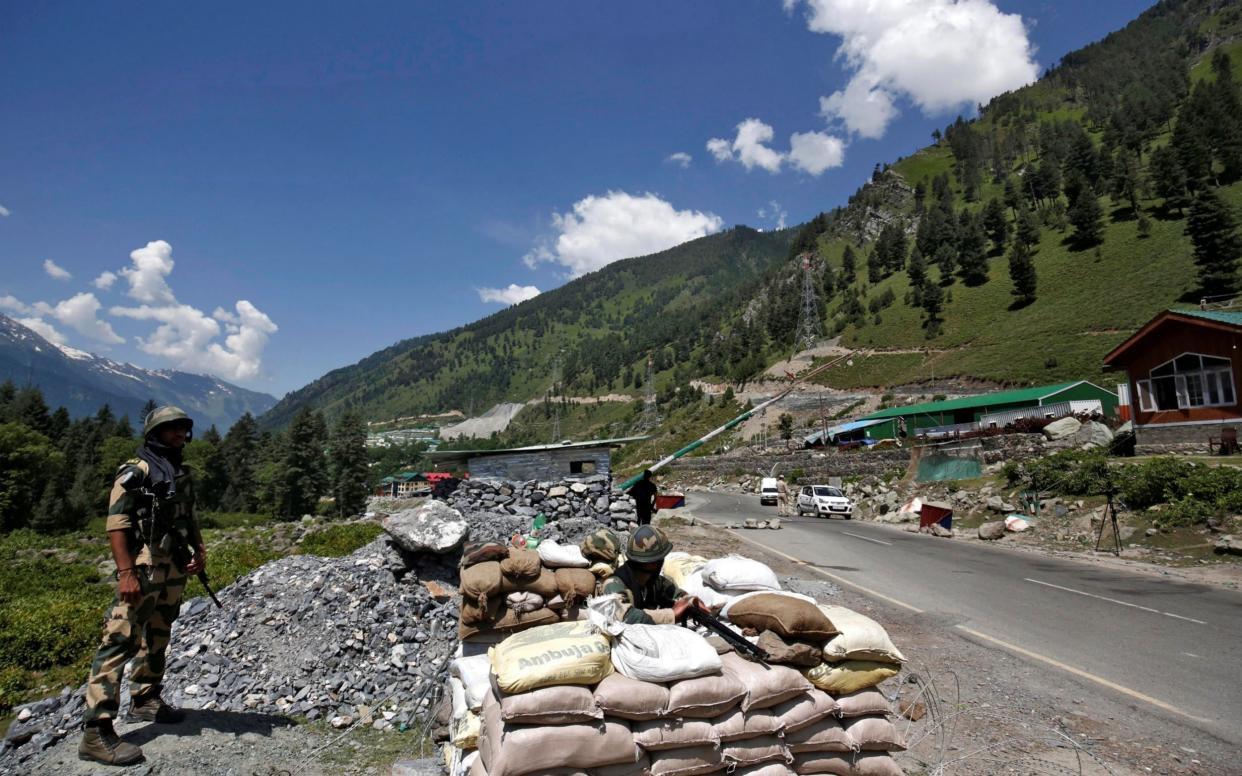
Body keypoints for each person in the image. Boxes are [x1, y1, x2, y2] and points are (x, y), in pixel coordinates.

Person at [79, 406, 206, 766]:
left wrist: (199, 550)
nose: (179, 434)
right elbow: (116, 524)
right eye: (171, 429)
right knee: (120, 638)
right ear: (155, 433)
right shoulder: (136, 472)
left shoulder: (180, 471)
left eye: (182, 429)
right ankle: (96, 730)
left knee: (159, 633)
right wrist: (126, 573)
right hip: (143, 567)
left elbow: (189, 516)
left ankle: (145, 698)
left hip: (172, 567)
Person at [598, 526, 706, 624]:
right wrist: (671, 614)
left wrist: (690, 601)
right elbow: (627, 617)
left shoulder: (654, 582)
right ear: (654, 563)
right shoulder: (613, 584)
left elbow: (676, 594)